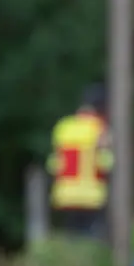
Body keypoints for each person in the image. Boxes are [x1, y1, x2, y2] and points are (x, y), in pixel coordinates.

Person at [46, 83, 113, 239]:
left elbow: (54, 163)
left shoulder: (64, 126)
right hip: (91, 197)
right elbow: (107, 163)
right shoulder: (101, 130)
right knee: (91, 239)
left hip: (66, 195)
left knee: (72, 238)